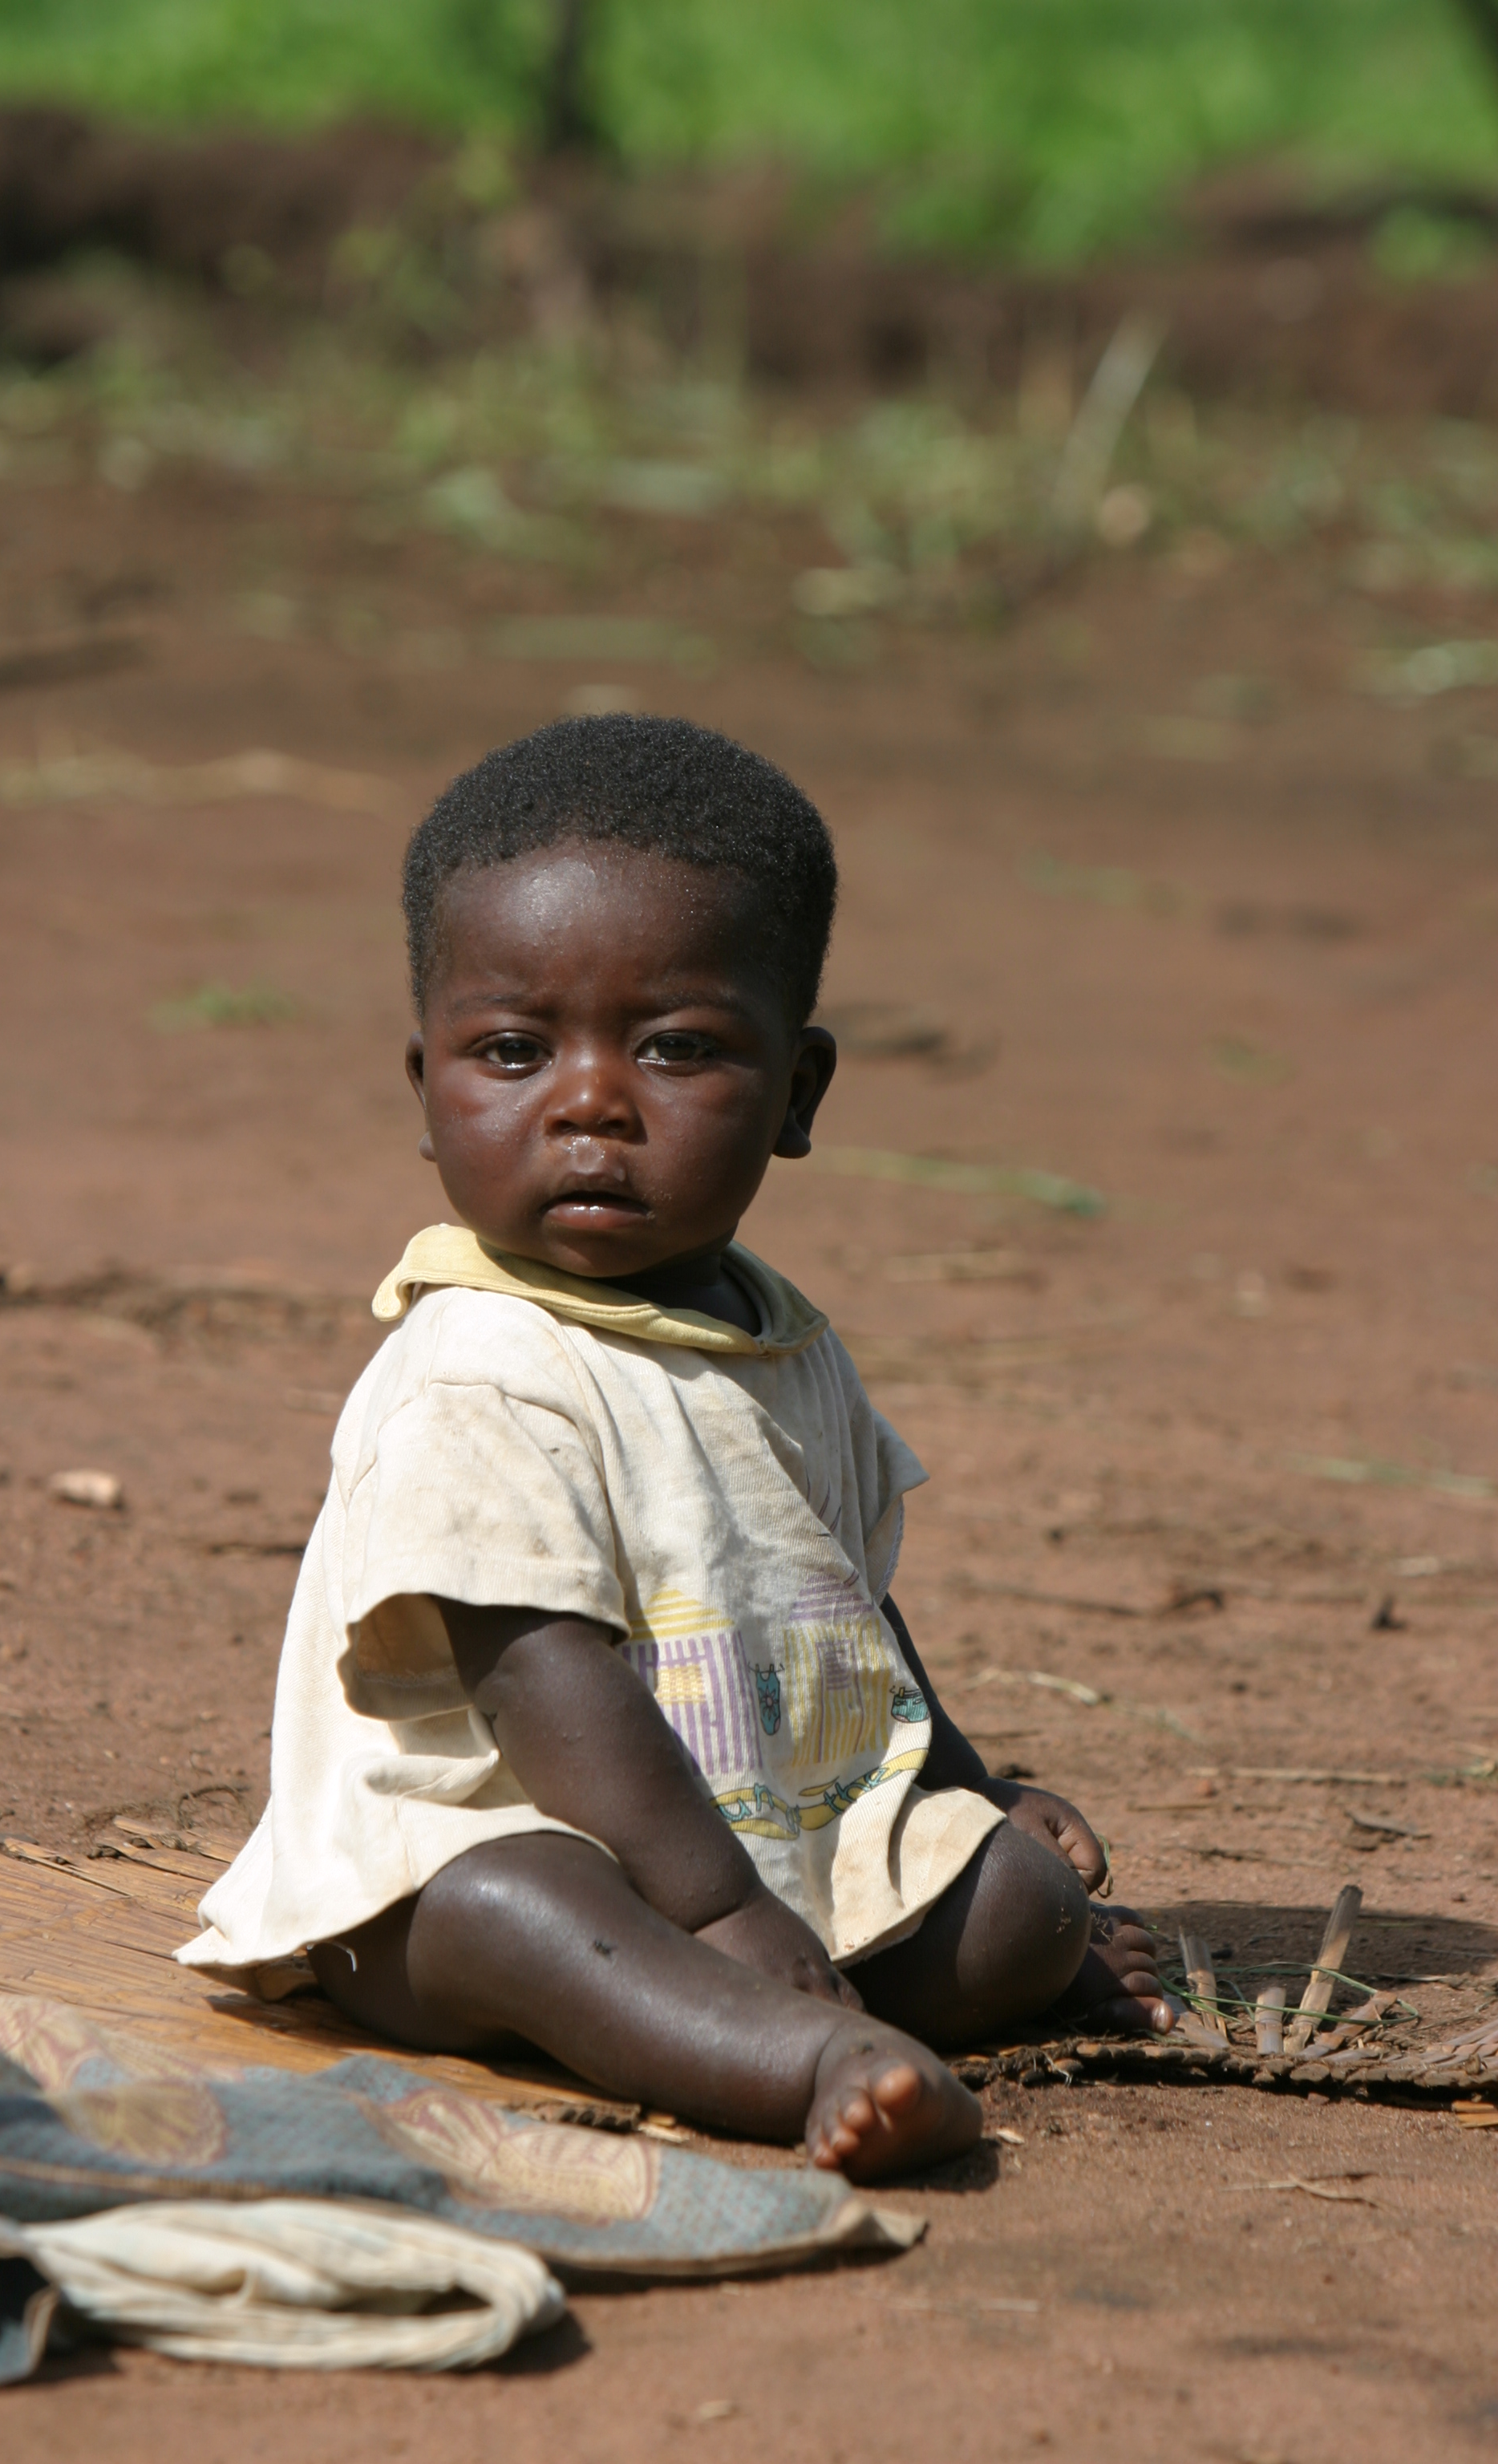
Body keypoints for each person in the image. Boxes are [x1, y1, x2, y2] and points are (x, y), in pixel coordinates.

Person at [180, 715, 1167, 2181]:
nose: (590, 1101)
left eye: (678, 1049)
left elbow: (847, 1610)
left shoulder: (785, 1344)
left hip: (755, 1834)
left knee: (1021, 1904)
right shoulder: (480, 1369)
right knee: (520, 1904)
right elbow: (536, 1672)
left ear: (800, 1096)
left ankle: (762, 2004)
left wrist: (959, 1787)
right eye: (514, 1051)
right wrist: (712, 1916)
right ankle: (802, 2060)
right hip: (472, 1863)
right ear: (425, 1088)